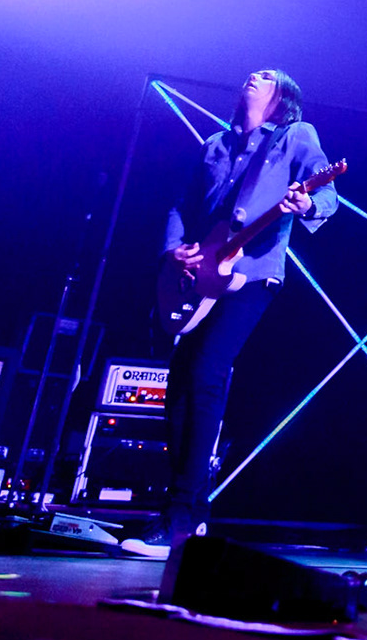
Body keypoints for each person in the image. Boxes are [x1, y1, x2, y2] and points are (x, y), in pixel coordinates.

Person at [119, 68, 339, 560]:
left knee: (206, 373)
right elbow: (182, 204)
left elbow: (329, 194)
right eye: (252, 73)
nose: (253, 76)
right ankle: (192, 516)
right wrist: (174, 251)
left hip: (255, 274)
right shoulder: (214, 144)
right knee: (177, 387)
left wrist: (307, 202)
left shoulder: (294, 137)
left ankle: (177, 518)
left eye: (266, 76)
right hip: (199, 273)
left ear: (282, 98)